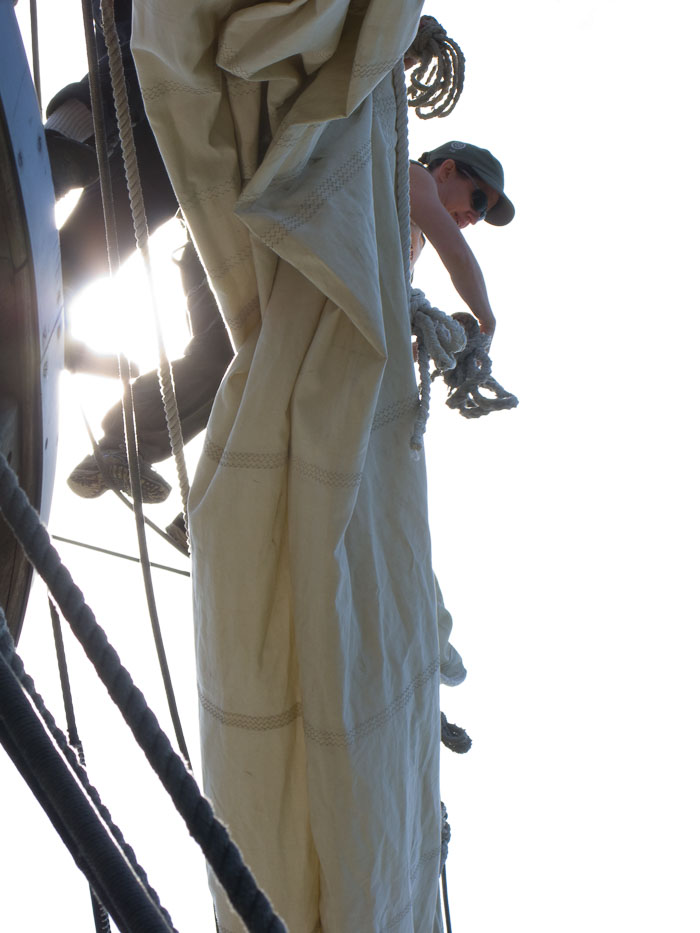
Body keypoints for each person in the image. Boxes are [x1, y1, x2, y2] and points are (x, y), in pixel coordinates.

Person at [410, 140, 515, 338]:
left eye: (483, 214)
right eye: (479, 201)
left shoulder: (415, 239)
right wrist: (487, 321)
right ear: (448, 170)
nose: (474, 219)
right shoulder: (412, 174)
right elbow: (458, 255)